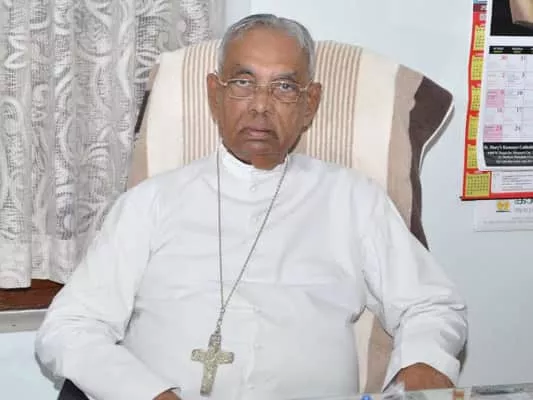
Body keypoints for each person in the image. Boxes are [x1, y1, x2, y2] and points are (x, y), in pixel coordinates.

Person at [35, 13, 467, 400]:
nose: (261, 105)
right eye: (243, 83)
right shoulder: (149, 203)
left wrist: (422, 367)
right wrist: (149, 395)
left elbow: (430, 305)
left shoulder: (354, 199)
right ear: (214, 94)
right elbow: (69, 328)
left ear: (310, 104)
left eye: (284, 87)